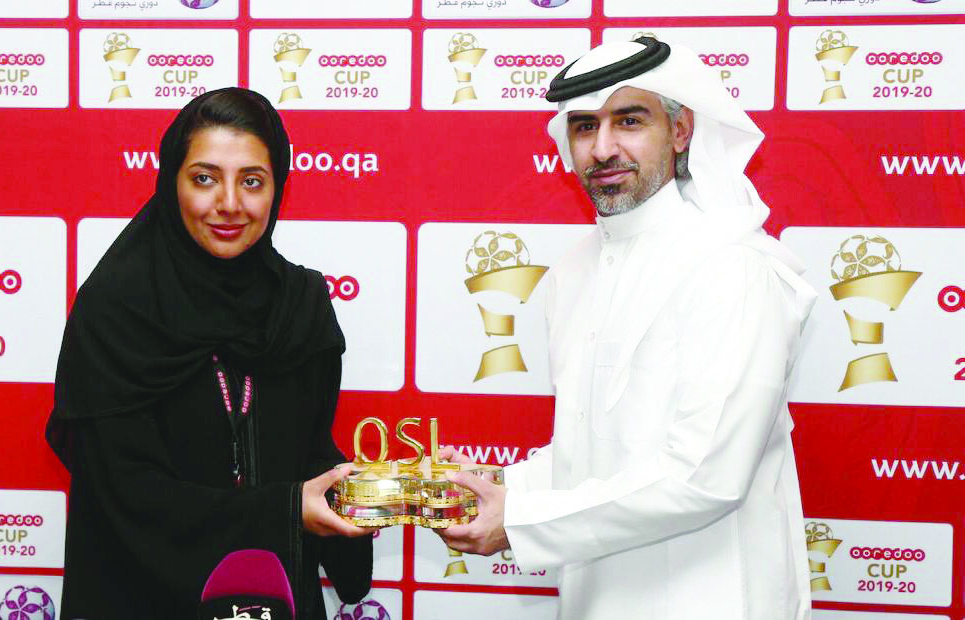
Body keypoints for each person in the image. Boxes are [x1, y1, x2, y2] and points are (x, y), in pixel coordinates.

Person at [437, 37, 818, 619]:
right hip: (594, 601)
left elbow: (705, 477)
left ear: (682, 131)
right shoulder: (571, 273)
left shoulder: (732, 267)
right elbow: (589, 454)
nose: (603, 148)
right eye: (585, 126)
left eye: (630, 121)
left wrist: (518, 519)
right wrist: (496, 487)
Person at [46, 87, 374, 619]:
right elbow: (122, 496)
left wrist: (358, 497)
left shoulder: (300, 305)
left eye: (251, 181)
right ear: (171, 182)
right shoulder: (116, 310)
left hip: (275, 598)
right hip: (144, 600)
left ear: (277, 188)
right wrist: (286, 510)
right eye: (204, 178)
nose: (229, 203)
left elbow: (309, 450)